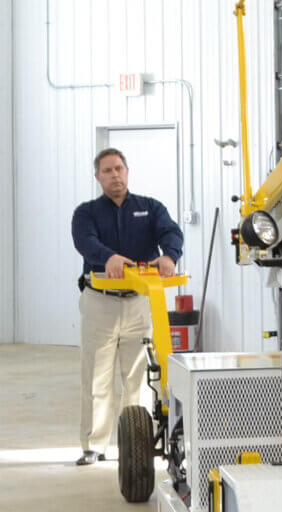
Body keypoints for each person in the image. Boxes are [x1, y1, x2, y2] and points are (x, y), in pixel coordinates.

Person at [71, 147, 183, 465]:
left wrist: (169, 256)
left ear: (127, 171)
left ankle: (135, 446)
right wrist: (109, 257)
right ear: (98, 177)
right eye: (107, 171)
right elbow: (85, 241)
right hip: (100, 303)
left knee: (138, 378)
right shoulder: (87, 212)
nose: (114, 175)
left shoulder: (150, 208)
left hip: (139, 304)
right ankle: (94, 446)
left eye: (119, 168)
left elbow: (171, 232)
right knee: (97, 375)